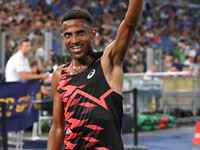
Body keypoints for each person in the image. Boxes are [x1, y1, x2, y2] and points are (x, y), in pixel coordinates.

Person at [47, 0, 143, 149]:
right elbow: (57, 127)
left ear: (93, 33)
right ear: (63, 38)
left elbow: (129, 25)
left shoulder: (108, 62)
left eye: (80, 33)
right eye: (68, 35)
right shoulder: (59, 75)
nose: (74, 40)